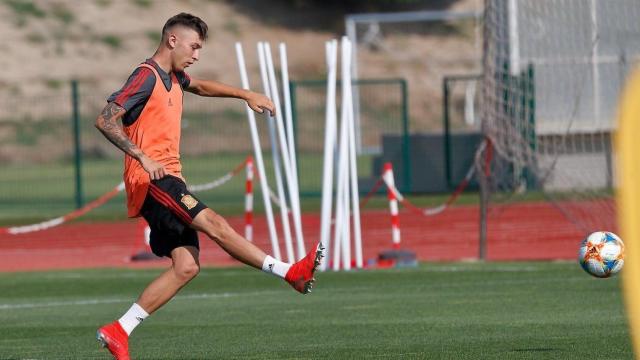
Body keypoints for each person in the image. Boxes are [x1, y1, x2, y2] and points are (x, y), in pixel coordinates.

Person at [94, 13, 322, 360]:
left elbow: (199, 85)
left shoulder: (174, 77)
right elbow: (106, 118)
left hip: (167, 179)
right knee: (214, 223)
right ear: (172, 40)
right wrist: (143, 157)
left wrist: (245, 94)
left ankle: (119, 330)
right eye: (194, 46)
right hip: (154, 180)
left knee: (186, 267)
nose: (197, 54)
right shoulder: (146, 76)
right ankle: (289, 272)